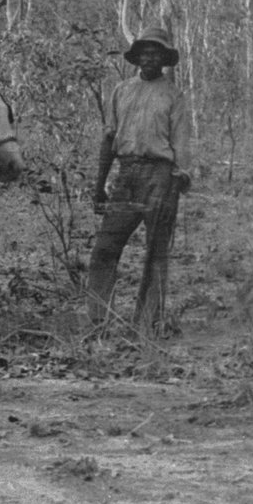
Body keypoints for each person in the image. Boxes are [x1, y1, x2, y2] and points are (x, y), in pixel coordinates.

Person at [86, 23, 192, 332]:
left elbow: (181, 142)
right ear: (137, 58)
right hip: (127, 175)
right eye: (144, 52)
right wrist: (99, 186)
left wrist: (180, 176)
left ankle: (147, 325)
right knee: (105, 248)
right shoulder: (121, 90)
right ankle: (97, 321)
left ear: (163, 59)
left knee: (155, 254)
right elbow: (109, 139)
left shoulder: (174, 96)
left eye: (155, 53)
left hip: (160, 176)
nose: (149, 58)